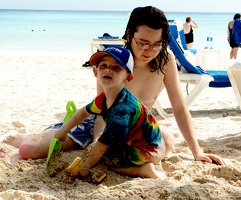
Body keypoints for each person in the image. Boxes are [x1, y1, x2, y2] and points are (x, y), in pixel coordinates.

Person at [3, 6, 225, 166]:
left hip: (136, 125)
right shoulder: (114, 61)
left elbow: (179, 108)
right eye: (143, 43)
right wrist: (99, 141)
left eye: (157, 44)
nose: (149, 50)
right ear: (129, 35)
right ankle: (32, 135)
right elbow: (103, 110)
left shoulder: (165, 60)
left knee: (166, 141)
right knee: (29, 150)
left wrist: (197, 152)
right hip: (102, 120)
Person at [55, 46, 166, 179]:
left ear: (128, 77)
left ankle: (143, 170)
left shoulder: (123, 109)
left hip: (145, 151)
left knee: (106, 160)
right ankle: (152, 164)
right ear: (95, 72)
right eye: (103, 66)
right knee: (98, 149)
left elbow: (102, 145)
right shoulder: (104, 98)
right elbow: (83, 112)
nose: (108, 70)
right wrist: (63, 131)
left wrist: (86, 168)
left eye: (116, 68)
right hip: (150, 145)